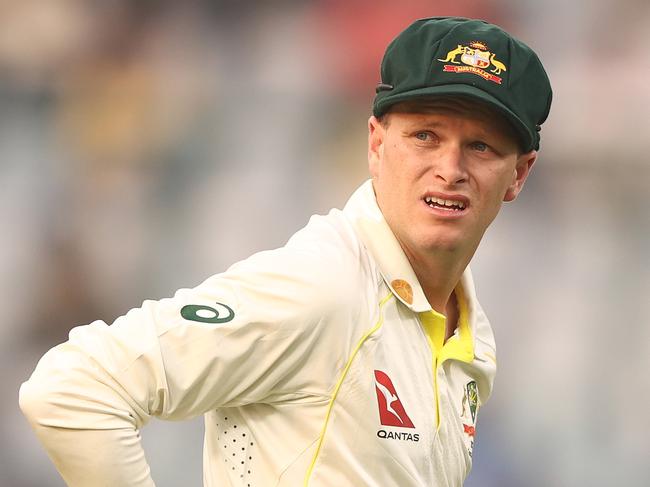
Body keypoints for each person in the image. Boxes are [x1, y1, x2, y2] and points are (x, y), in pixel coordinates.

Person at [19, 17, 552, 486]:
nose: (450, 168)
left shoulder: (471, 336)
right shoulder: (325, 287)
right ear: (375, 143)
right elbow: (74, 387)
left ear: (519, 174)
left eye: (480, 146)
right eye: (425, 136)